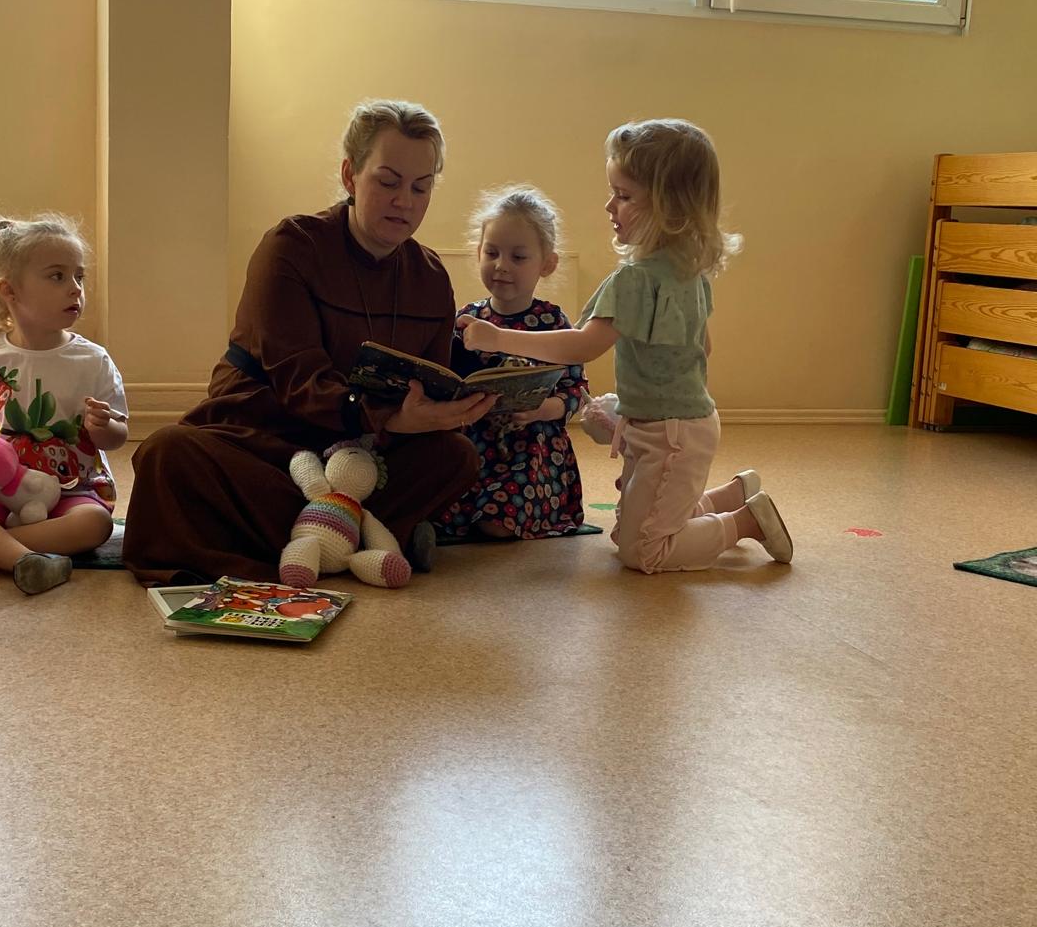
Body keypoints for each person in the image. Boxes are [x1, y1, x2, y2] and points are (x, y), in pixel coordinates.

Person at [122, 99, 492, 584]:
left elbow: (430, 382)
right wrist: (386, 417)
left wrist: (449, 410)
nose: (405, 201)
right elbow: (299, 380)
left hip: (363, 457)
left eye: (421, 187)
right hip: (270, 443)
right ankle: (361, 536)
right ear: (350, 175)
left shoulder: (431, 276)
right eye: (388, 182)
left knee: (455, 456)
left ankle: (314, 540)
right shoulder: (292, 247)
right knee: (168, 454)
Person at [458, 119, 793, 573]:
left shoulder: (635, 279)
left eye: (624, 195)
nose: (609, 205)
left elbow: (583, 346)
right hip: (679, 424)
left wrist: (498, 336)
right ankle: (731, 495)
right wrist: (635, 407)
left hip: (670, 434)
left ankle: (745, 521)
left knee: (642, 551)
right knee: (635, 526)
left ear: (669, 207)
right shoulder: (688, 270)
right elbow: (702, 348)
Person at [0, 214, 128, 596]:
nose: (75, 289)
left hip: (72, 492)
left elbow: (118, 436)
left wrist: (104, 429)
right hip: (3, 491)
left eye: (79, 276)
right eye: (57, 276)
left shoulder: (93, 360)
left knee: (96, 525)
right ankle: (23, 558)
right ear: (10, 290)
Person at [435, 188, 588, 541]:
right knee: (433, 502)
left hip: (530, 448)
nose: (501, 265)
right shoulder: (467, 318)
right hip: (474, 441)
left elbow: (576, 391)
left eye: (518, 257)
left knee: (498, 519)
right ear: (478, 252)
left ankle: (496, 517)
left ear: (547, 264)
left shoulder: (552, 321)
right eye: (492, 253)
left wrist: (539, 410)